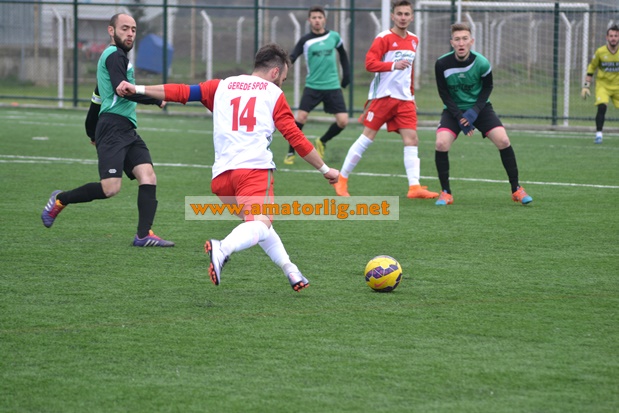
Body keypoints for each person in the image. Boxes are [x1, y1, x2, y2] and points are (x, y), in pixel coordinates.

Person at [116, 43, 339, 292]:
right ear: (275, 72)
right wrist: (325, 169)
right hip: (253, 172)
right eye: (283, 80)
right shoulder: (273, 94)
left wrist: (137, 88)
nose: (281, 85)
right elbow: (295, 138)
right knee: (260, 224)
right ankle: (222, 248)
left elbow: (181, 91)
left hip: (222, 179)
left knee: (258, 225)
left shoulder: (222, 86)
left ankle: (290, 268)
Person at [41, 13, 174, 246]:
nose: (130, 33)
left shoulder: (114, 60)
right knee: (110, 188)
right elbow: (123, 90)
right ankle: (60, 199)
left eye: (133, 29)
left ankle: (143, 235)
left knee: (148, 175)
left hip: (125, 129)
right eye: (125, 28)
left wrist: (91, 132)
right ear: (111, 31)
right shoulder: (115, 56)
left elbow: (96, 99)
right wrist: (156, 99)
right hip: (113, 128)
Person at [333, 0, 438, 199]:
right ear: (393, 16)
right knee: (367, 138)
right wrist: (392, 65)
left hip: (405, 99)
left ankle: (414, 187)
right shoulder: (383, 38)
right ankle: (342, 178)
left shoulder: (414, 39)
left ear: (412, 17)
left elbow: (410, 71)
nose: (403, 17)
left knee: (412, 139)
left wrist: (412, 94)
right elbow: (369, 64)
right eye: (399, 14)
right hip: (383, 97)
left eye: (406, 14)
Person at [434, 22, 532, 206]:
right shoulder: (442, 63)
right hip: (454, 110)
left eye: (464, 39)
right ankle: (446, 192)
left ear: (471, 41)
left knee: (503, 140)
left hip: (480, 109)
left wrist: (474, 112)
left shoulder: (482, 63)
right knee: (441, 144)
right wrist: (460, 117)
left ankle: (516, 189)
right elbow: (444, 94)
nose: (461, 43)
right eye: (457, 39)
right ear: (451, 42)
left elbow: (488, 88)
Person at [283, 5, 350, 164]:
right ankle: (291, 152)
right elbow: (292, 57)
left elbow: (343, 55)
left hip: (332, 86)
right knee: (301, 117)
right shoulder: (305, 40)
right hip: (313, 86)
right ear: (309, 20)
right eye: (314, 18)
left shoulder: (334, 37)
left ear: (324, 19)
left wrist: (346, 74)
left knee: (343, 121)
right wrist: (282, 71)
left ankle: (322, 141)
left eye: (320, 17)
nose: (317, 20)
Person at [581, 24, 619, 145]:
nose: (613, 38)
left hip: (617, 86)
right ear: (607, 37)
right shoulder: (600, 52)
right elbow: (591, 68)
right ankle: (599, 135)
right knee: (602, 107)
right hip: (603, 86)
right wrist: (586, 86)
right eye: (611, 36)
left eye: (616, 36)